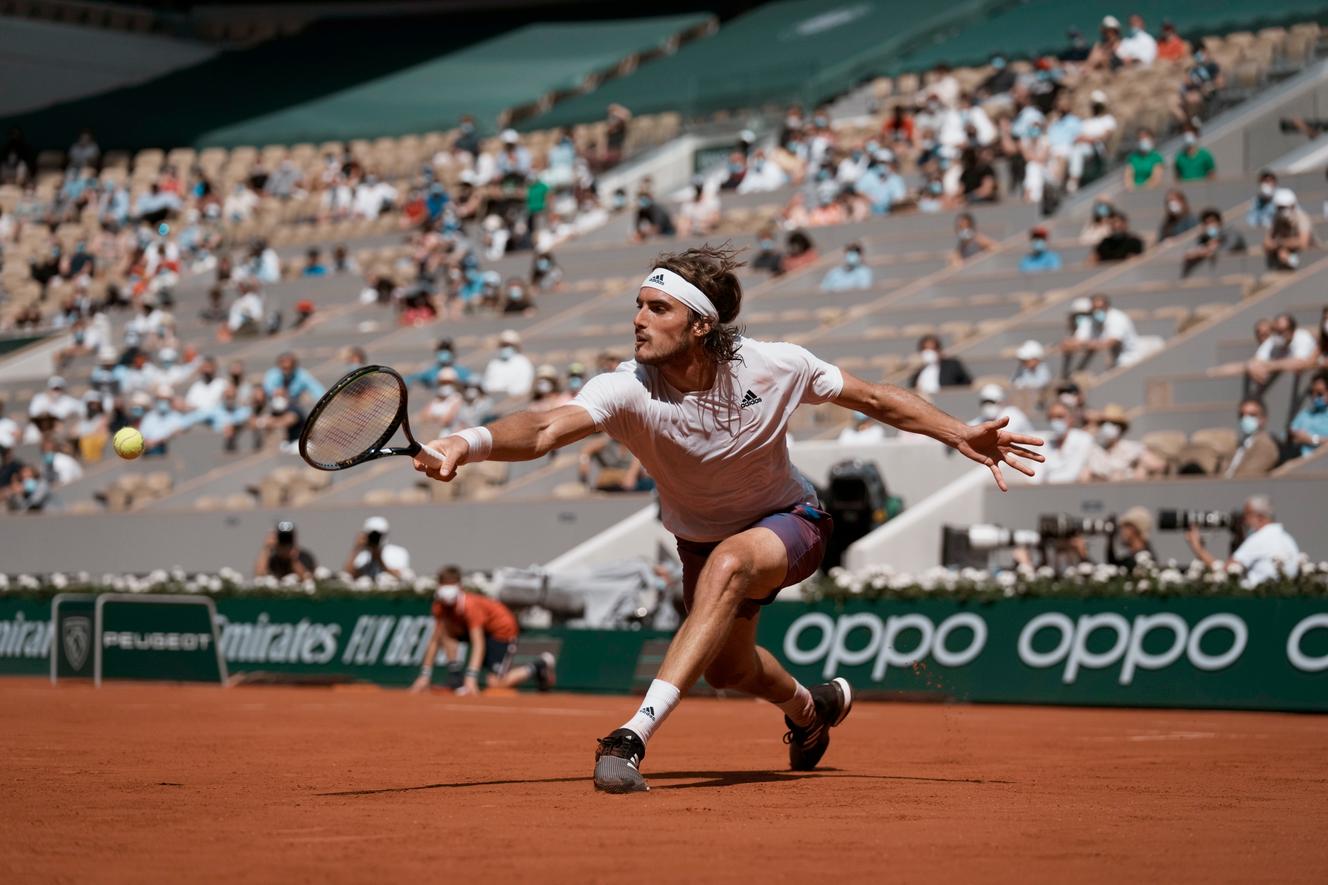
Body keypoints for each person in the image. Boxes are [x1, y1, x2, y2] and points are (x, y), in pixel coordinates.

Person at [409, 245, 1044, 792]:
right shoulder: (627, 387)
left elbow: (876, 398)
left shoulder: (777, 365)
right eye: (638, 305)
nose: (638, 319)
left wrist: (958, 431)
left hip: (792, 520)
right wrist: (468, 442)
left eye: (657, 309)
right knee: (727, 669)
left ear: (701, 327)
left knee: (734, 562)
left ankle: (631, 737)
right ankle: (810, 708)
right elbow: (545, 425)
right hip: (699, 542)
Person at [410, 566, 556, 695]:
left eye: (451, 584)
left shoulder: (470, 606)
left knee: (496, 683)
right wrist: (424, 675)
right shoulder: (439, 606)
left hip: (502, 631)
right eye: (444, 584)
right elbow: (435, 639)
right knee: (446, 632)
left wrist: (471, 677)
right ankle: (455, 678)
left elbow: (478, 642)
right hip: (481, 631)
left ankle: (540, 665)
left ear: (459, 586)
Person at [1185, 495, 1299, 588]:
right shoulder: (1287, 539)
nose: (1243, 521)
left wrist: (1197, 547)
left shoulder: (1260, 538)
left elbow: (1227, 572)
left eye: (1246, 515)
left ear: (1260, 517)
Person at [1062, 294, 1143, 375]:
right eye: (1094, 308)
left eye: (1100, 308)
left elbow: (1111, 343)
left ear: (1107, 306)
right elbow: (1073, 342)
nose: (1097, 311)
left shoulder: (1117, 318)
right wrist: (1085, 344)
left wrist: (1085, 344)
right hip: (1108, 365)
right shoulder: (1090, 319)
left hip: (1128, 361)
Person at [1081, 404, 1164, 481]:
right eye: (1104, 423)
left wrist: (1141, 468)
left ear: (1120, 428)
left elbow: (1158, 465)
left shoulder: (1131, 447)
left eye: (1113, 423)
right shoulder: (1096, 449)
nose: (1107, 427)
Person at [1034, 400, 1094, 484]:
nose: (1055, 421)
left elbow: (1073, 474)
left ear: (1071, 418)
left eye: (1060, 417)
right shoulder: (1046, 442)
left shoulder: (1084, 439)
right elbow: (1036, 474)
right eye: (1051, 418)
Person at [1182, 208, 1247, 277]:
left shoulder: (1231, 232)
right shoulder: (1203, 238)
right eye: (1207, 223)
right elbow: (1189, 251)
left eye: (1212, 221)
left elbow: (1231, 246)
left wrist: (1213, 250)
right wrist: (1202, 250)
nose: (1210, 225)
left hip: (1236, 270)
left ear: (1220, 222)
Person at [1226, 399, 1281, 478]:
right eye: (1242, 415)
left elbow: (1247, 476)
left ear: (1263, 418)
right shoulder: (1239, 443)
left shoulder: (1265, 445)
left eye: (1252, 415)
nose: (1245, 419)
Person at [344, 516, 411, 580]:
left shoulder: (398, 552)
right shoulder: (363, 555)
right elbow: (348, 576)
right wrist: (356, 549)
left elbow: (401, 577)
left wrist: (379, 559)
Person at [1264, 188, 1313, 271]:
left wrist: (1280, 243)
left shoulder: (1302, 218)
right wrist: (1281, 247)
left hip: (1309, 258)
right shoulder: (1276, 219)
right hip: (1284, 258)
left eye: (1285, 207)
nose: (1283, 211)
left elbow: (1303, 243)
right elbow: (1267, 243)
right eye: (1280, 208)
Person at [908, 334, 973, 394]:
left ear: (939, 350)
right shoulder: (918, 370)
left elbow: (967, 383)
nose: (929, 352)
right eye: (925, 349)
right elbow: (912, 387)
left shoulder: (952, 365)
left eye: (932, 349)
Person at [481, 330, 535, 399]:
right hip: (494, 398)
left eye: (508, 345)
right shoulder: (494, 363)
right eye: (503, 345)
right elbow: (488, 383)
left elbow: (524, 386)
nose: (505, 348)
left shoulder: (523, 363)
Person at [1289, 372, 1328, 458]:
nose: (1315, 397)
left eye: (1319, 393)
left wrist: (1311, 439)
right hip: (1300, 457)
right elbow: (1294, 433)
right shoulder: (1306, 413)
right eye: (1312, 392)